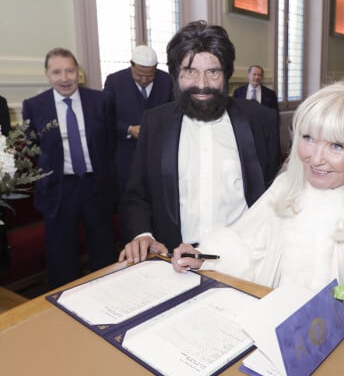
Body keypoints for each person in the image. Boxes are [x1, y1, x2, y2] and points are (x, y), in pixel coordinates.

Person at [171, 81, 344, 291]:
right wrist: (207, 259)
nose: (315, 158)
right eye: (309, 138)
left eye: (336, 145)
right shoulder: (287, 187)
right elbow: (249, 248)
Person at [119, 20, 281, 263]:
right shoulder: (155, 122)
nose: (202, 84)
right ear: (176, 75)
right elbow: (136, 196)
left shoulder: (260, 119)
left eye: (212, 72)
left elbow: (275, 193)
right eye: (190, 71)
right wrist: (143, 234)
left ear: (226, 74)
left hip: (244, 258)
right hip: (175, 259)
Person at [22, 48, 117, 288]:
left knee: (104, 250)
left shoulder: (101, 101)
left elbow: (110, 143)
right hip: (58, 190)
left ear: (79, 73)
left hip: (96, 186)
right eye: (57, 72)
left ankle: (108, 294)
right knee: (61, 256)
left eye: (70, 71)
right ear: (47, 75)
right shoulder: (34, 106)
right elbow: (32, 147)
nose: (64, 78)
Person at [103, 45, 174, 200]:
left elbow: (173, 114)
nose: (144, 80)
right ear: (131, 65)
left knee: (157, 199)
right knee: (128, 201)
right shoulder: (114, 81)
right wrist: (128, 130)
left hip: (158, 154)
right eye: (139, 75)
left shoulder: (166, 80)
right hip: (126, 156)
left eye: (149, 76)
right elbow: (105, 118)